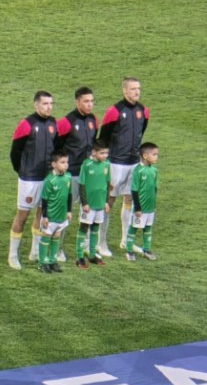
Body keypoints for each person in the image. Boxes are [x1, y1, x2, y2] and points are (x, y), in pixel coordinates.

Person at [97, 77, 149, 257]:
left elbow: (141, 133)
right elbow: (103, 137)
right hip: (115, 163)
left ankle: (126, 240)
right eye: (133, 89)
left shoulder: (143, 111)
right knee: (108, 201)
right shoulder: (114, 111)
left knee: (130, 200)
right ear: (124, 91)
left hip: (133, 162)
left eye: (139, 89)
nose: (137, 92)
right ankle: (100, 242)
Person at [7, 91, 56, 270]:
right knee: (22, 215)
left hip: (47, 177)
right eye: (45, 104)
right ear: (36, 105)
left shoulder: (53, 123)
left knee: (42, 214)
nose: (49, 107)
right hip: (29, 178)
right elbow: (15, 152)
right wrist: (21, 170)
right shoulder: (26, 124)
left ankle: (35, 251)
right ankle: (12, 255)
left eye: (51, 103)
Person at [54, 88, 98, 262]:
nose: (89, 104)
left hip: (88, 172)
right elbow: (57, 146)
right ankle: (58, 249)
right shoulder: (66, 122)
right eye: (86, 101)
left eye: (91, 101)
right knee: (65, 211)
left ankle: (86, 245)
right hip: (71, 173)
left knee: (88, 208)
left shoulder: (93, 120)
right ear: (77, 102)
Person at [74, 140, 111, 269]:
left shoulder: (106, 164)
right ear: (94, 152)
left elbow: (107, 184)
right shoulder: (87, 164)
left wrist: (106, 201)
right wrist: (84, 203)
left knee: (95, 229)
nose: (105, 155)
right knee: (83, 229)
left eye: (106, 153)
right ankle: (79, 257)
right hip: (88, 205)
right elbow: (82, 184)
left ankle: (92, 254)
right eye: (102, 153)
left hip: (100, 204)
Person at [38, 151, 72, 274]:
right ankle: (42, 263)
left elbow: (69, 195)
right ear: (54, 164)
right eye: (62, 162)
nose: (66, 165)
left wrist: (69, 211)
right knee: (46, 236)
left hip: (62, 214)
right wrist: (45, 216)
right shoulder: (49, 180)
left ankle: (52, 261)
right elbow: (45, 199)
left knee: (57, 236)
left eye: (67, 162)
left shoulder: (68, 177)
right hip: (51, 215)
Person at [125, 142, 159, 262]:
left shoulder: (154, 171)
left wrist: (154, 205)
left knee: (148, 228)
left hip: (150, 207)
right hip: (140, 208)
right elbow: (134, 190)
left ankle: (147, 250)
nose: (157, 157)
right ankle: (129, 250)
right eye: (154, 154)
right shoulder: (138, 171)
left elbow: (155, 189)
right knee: (134, 228)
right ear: (145, 156)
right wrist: (138, 208)